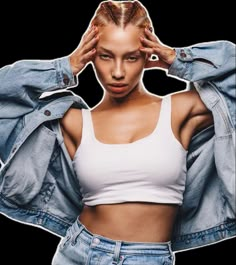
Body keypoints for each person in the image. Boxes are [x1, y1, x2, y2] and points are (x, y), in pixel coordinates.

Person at [0, 1, 235, 264]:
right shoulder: (74, 122)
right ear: (90, 55)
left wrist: (176, 59)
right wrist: (65, 67)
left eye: (131, 57)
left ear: (147, 53)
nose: (118, 72)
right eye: (106, 56)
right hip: (78, 251)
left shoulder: (181, 110)